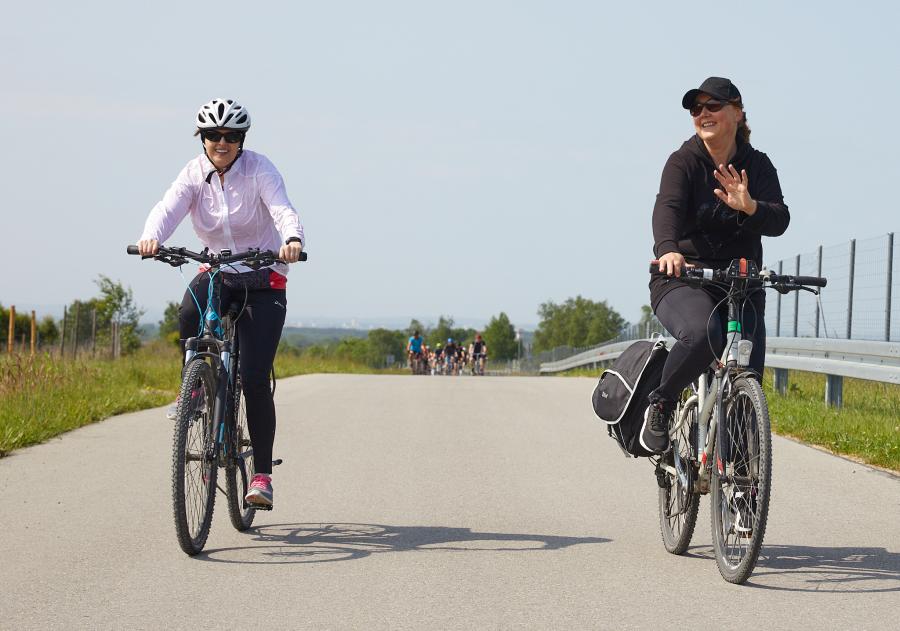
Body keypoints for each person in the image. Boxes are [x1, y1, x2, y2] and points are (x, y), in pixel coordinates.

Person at [136, 98, 305, 508]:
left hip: (263, 277)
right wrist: (151, 235)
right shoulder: (194, 174)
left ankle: (261, 476)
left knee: (253, 377)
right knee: (188, 311)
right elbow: (168, 207)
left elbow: (282, 208)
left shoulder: (260, 169)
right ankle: (194, 388)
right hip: (217, 271)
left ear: (242, 139)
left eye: (230, 136)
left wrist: (292, 239)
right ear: (203, 139)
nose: (222, 142)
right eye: (213, 135)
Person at [643, 77, 789, 454]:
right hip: (684, 278)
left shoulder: (757, 166)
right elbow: (667, 209)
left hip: (740, 285)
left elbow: (780, 219)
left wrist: (750, 207)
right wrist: (669, 250)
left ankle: (740, 477)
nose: (703, 113)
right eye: (697, 108)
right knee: (703, 333)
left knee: (747, 376)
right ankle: (661, 403)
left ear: (737, 113)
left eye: (713, 106)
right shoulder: (683, 162)